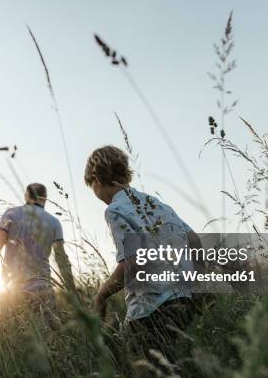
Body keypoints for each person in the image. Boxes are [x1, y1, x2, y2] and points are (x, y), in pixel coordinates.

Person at [84, 145, 201, 357]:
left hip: (151, 309)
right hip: (185, 301)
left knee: (143, 372)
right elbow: (194, 240)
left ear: (97, 180)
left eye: (91, 186)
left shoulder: (114, 210)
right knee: (178, 366)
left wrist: (101, 295)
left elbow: (133, 262)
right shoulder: (155, 203)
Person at [0, 183, 76, 312]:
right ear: (45, 198)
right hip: (43, 289)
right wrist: (72, 291)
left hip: (12, 290)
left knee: (14, 331)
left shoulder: (11, 214)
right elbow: (61, 259)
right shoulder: (54, 222)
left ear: (26, 196)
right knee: (46, 331)